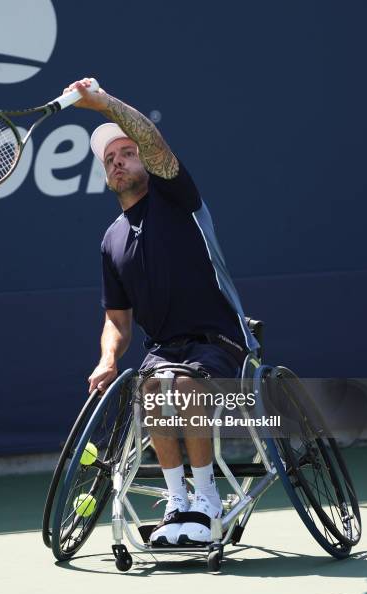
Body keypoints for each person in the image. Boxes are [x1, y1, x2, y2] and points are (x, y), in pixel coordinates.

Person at [63, 77, 260, 546]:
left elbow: (153, 142)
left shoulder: (177, 197)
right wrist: (108, 359)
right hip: (163, 351)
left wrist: (105, 104)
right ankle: (178, 505)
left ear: (145, 160)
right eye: (109, 160)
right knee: (153, 386)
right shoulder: (111, 240)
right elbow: (117, 318)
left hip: (221, 341)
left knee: (185, 384)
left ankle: (208, 502)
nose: (117, 162)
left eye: (125, 153)